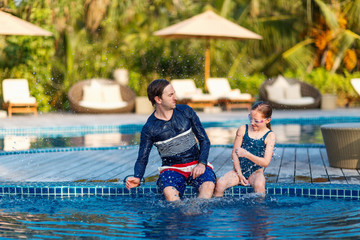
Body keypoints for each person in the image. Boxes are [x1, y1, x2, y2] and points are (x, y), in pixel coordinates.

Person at [126, 79, 216, 201]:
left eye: (174, 93)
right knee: (169, 193)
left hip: (196, 164)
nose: (176, 98)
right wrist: (137, 177)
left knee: (208, 186)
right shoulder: (150, 128)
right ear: (158, 99)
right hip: (172, 169)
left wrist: (202, 163)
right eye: (170, 95)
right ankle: (181, 217)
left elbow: (204, 140)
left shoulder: (185, 111)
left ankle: (196, 214)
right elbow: (142, 158)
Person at [213, 101, 276, 196]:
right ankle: (218, 209)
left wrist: (247, 154)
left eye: (256, 121)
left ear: (267, 120)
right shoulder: (243, 129)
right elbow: (234, 153)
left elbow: (265, 163)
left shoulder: (270, 136)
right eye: (250, 118)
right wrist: (239, 174)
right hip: (237, 171)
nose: (252, 122)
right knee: (220, 184)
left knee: (259, 185)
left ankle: (260, 210)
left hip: (256, 172)